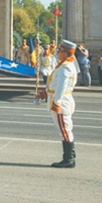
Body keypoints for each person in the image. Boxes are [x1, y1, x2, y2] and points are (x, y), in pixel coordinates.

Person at [43, 40, 79, 168]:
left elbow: (62, 88)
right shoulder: (62, 66)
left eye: (60, 51)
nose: (58, 52)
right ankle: (68, 158)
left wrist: (56, 102)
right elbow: (56, 84)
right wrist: (45, 93)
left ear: (67, 53)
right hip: (60, 100)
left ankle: (69, 159)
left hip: (62, 102)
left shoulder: (66, 68)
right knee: (64, 129)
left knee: (64, 130)